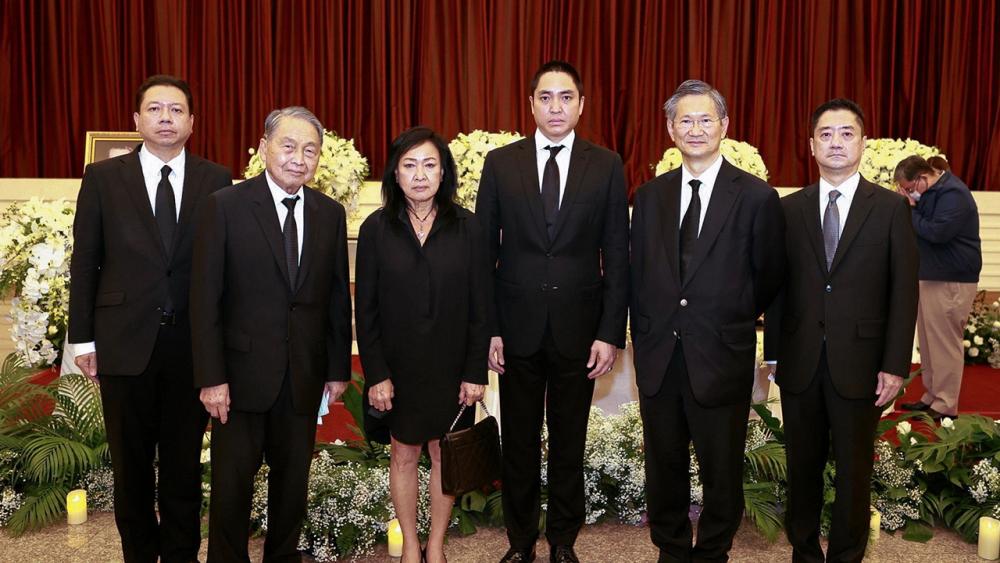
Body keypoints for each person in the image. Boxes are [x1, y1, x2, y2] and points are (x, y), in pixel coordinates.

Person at [68, 74, 232, 563]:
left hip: (190, 347)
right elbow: (86, 261)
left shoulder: (215, 179)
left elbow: (223, 269)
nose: (166, 118)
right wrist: (82, 340)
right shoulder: (103, 178)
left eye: (176, 110)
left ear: (192, 122)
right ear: (137, 119)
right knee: (131, 467)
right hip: (122, 343)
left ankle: (181, 555)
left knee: (184, 466)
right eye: (156, 109)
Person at [475, 60, 629, 563]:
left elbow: (617, 254)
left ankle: (563, 540)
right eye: (546, 97)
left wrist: (610, 332)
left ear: (581, 105)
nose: (555, 107)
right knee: (518, 442)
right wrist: (489, 329)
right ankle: (520, 542)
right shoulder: (502, 163)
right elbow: (483, 254)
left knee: (569, 442)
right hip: (515, 329)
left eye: (566, 97)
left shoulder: (605, 164)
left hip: (579, 331)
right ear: (531, 105)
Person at [629, 79, 785, 562]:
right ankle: (671, 550)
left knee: (722, 468)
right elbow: (639, 271)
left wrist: (729, 312)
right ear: (670, 129)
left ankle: (714, 551)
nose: (695, 129)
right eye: (685, 121)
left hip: (721, 353)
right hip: (660, 355)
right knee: (664, 464)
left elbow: (770, 276)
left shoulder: (756, 197)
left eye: (705, 120)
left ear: (724, 126)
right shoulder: (650, 196)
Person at [190, 107, 353, 562]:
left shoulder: (329, 214)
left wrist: (337, 368)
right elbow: (205, 299)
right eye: (288, 146)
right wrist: (211, 377)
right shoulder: (225, 206)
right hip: (239, 379)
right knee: (231, 489)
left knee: (292, 487)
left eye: (310, 150)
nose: (299, 159)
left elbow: (336, 297)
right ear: (264, 148)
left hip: (302, 376)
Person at [764, 98, 919, 562]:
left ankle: (848, 556)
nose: (836, 142)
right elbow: (777, 288)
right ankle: (804, 553)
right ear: (811, 145)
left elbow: (903, 291)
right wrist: (774, 352)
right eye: (826, 134)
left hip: (862, 363)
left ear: (863, 143)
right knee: (802, 468)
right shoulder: (788, 209)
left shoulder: (890, 209)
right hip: (800, 361)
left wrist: (895, 364)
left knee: (854, 472)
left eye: (846, 133)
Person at [355, 126, 490, 563]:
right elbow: (366, 310)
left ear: (443, 172)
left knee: (444, 454)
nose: (419, 175)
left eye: (429, 165)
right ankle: (411, 544)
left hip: (452, 365)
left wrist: (475, 371)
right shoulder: (376, 229)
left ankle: (435, 545)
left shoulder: (469, 227)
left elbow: (481, 307)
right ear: (394, 174)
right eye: (409, 165)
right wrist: (377, 374)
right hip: (398, 366)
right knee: (404, 452)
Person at [895, 155, 981, 420]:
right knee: (930, 342)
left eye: (909, 188)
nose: (909, 194)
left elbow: (936, 233)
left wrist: (910, 209)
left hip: (951, 279)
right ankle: (932, 395)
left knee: (944, 343)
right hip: (933, 275)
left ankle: (945, 404)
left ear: (922, 177)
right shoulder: (933, 192)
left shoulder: (953, 194)